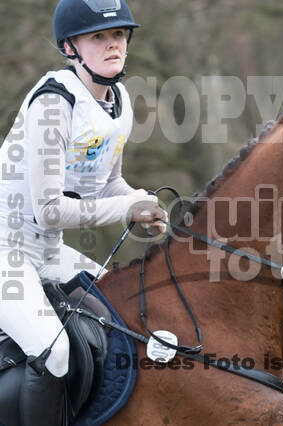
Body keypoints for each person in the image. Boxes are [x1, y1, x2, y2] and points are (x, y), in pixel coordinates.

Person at [0, 0, 166, 424]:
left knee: (127, 312)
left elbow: (107, 183)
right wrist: (125, 206)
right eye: (99, 37)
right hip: (6, 251)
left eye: (119, 35)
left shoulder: (119, 102)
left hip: (47, 250)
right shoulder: (54, 105)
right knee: (53, 352)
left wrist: (140, 202)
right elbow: (51, 209)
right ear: (70, 47)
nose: (114, 45)